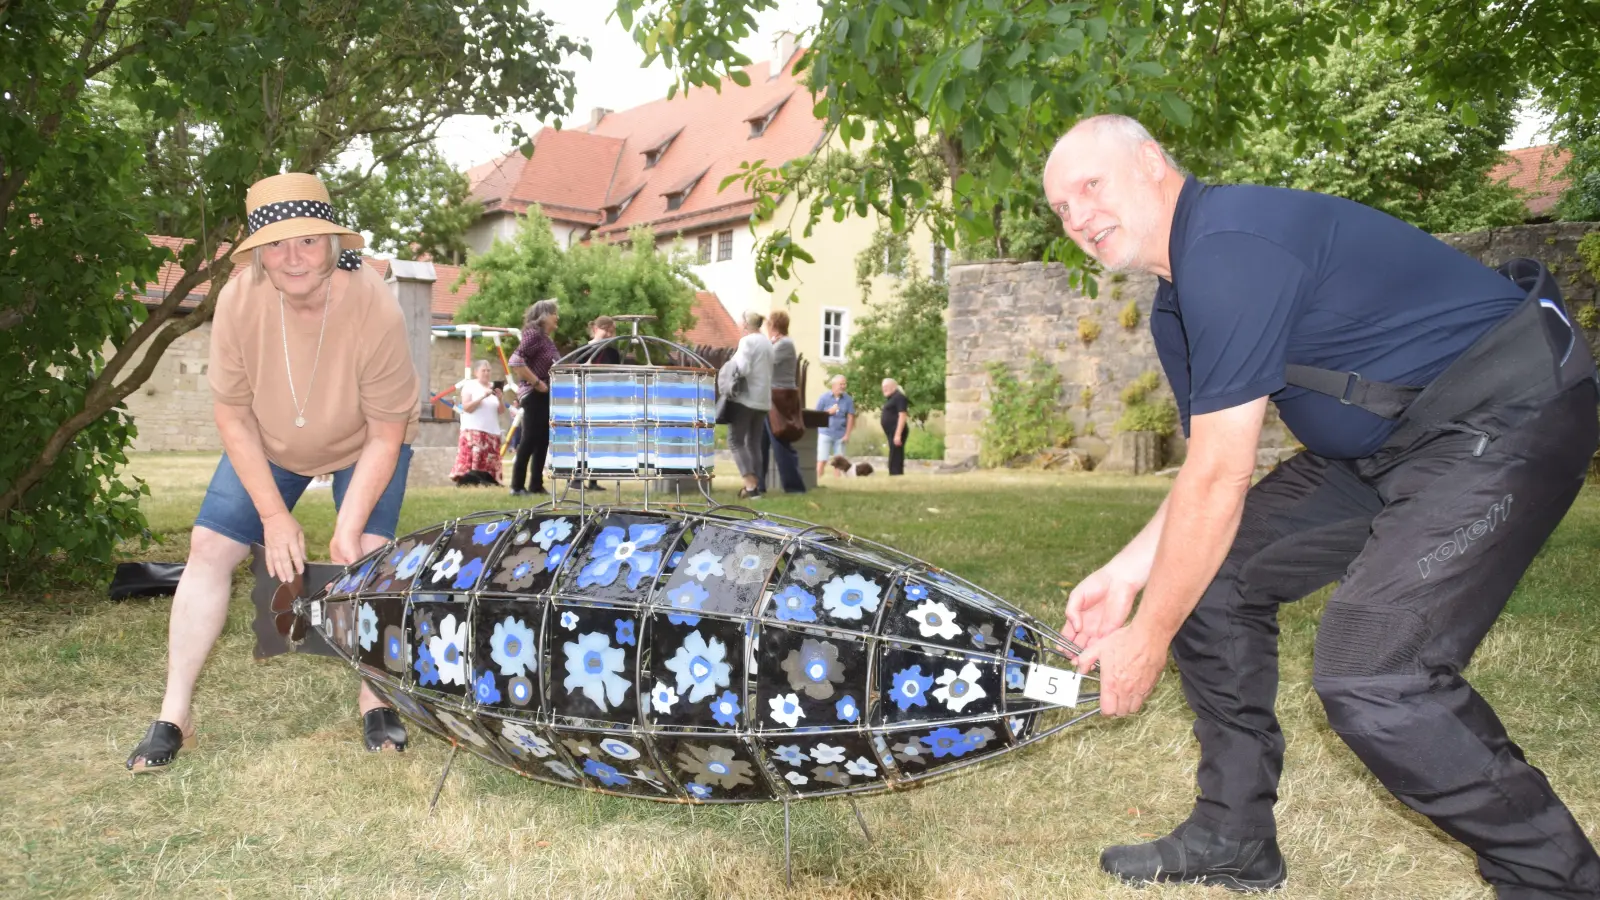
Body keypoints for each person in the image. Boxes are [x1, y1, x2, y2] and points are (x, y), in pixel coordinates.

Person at [1047, 115, 1600, 896]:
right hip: (1385, 447)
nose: (1076, 217)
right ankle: (1233, 836)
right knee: (1211, 579)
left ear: (1150, 161)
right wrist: (1127, 575)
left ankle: (1560, 884)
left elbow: (1220, 481)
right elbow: (1207, 471)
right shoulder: (1178, 302)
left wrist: (1148, 638)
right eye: (1060, 209)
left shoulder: (1231, 247)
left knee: (1378, 676)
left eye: (1088, 187)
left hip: (1505, 415)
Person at [126, 173, 420, 772]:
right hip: (271, 443)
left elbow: (388, 431)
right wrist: (272, 514)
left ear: (333, 244)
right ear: (257, 253)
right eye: (277, 244)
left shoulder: (374, 304)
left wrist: (346, 527)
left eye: (308, 240)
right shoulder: (237, 300)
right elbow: (231, 413)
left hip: (365, 444)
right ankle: (173, 712)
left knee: (366, 549)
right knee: (208, 545)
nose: (293, 258)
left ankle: (375, 696)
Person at [507, 299, 560, 497]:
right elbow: (516, 360)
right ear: (545, 315)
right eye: (554, 313)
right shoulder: (533, 334)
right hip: (534, 393)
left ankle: (536, 484)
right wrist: (537, 383)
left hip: (545, 395)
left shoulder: (546, 339)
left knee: (543, 439)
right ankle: (517, 486)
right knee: (529, 438)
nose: (557, 317)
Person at [724, 311, 773, 500]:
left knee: (735, 441)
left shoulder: (747, 341)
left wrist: (730, 367)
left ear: (745, 324)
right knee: (753, 443)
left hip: (746, 398)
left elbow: (742, 368)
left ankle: (750, 485)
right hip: (763, 400)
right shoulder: (767, 342)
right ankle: (757, 487)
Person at [760, 309, 807, 493]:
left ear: (773, 325)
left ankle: (795, 486)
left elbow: (765, 359)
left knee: (780, 441)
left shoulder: (785, 344)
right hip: (770, 397)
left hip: (779, 398)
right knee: (761, 443)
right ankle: (759, 485)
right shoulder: (778, 343)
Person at [450, 360, 503, 486]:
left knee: (490, 456)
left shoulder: (492, 387)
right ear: (476, 372)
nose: (486, 373)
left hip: (491, 429)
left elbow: (500, 411)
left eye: (488, 370)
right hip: (474, 428)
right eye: (483, 370)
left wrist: (500, 399)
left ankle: (490, 479)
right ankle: (468, 479)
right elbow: (467, 408)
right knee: (474, 455)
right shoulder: (470, 386)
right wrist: (482, 397)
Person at [815, 375, 856, 480]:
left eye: (844, 384)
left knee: (839, 461)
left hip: (840, 434)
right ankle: (817, 480)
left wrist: (847, 434)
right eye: (841, 384)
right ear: (833, 385)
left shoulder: (848, 400)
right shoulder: (823, 398)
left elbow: (850, 417)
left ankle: (837, 483)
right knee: (822, 459)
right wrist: (829, 412)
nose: (843, 386)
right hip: (825, 433)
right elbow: (816, 415)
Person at [880, 378, 909, 476]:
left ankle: (896, 474)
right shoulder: (891, 398)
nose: (884, 389)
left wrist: (898, 434)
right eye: (883, 387)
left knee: (896, 454)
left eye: (886, 387)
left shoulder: (899, 397)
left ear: (894, 387)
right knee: (893, 453)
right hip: (891, 431)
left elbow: (902, 415)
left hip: (897, 430)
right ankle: (893, 474)